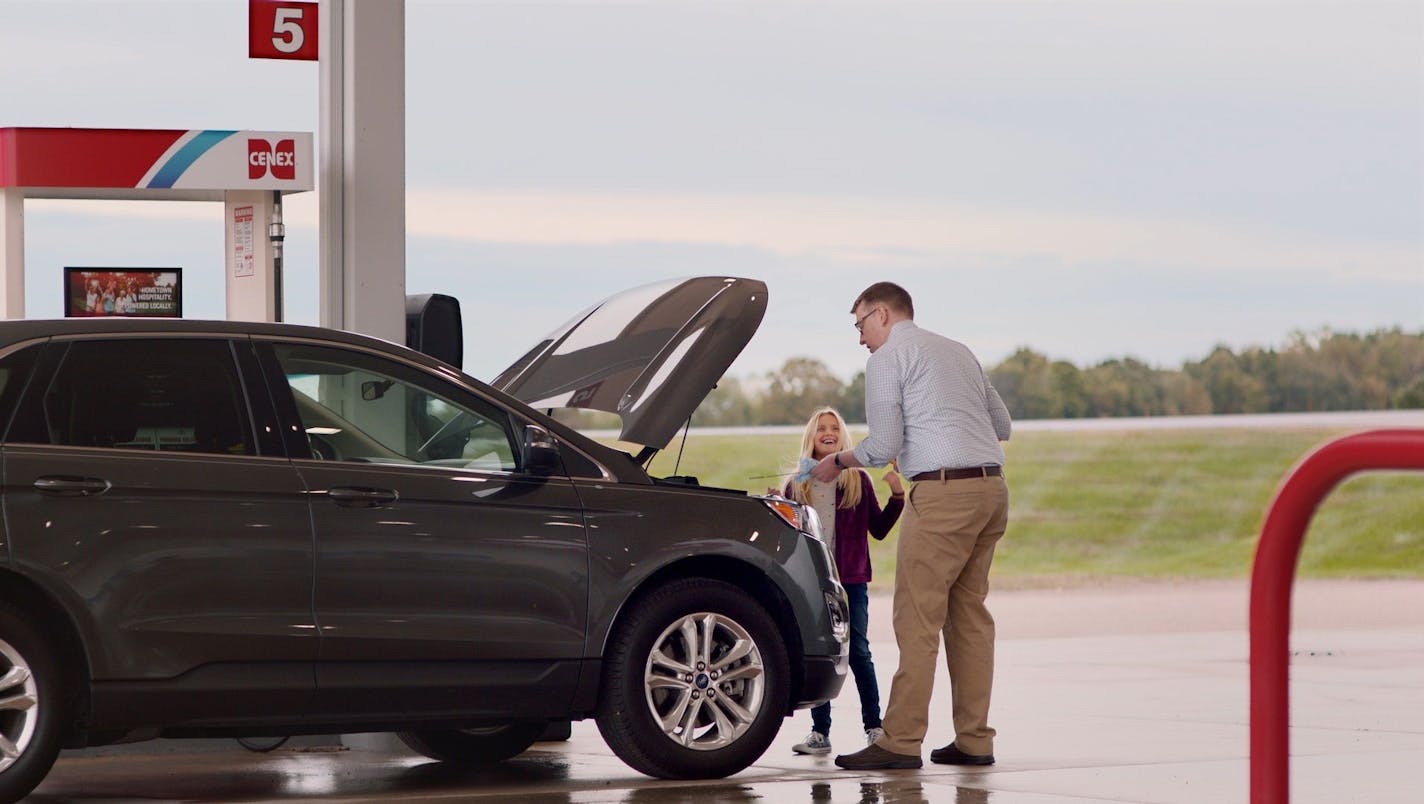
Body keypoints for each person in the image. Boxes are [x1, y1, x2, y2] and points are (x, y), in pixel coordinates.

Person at [810, 281, 1012, 771]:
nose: (860, 338)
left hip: (942, 496)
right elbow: (1002, 426)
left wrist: (836, 460)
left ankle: (899, 741)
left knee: (917, 619)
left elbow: (880, 446)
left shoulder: (886, 360)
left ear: (880, 314)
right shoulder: (958, 351)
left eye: (859, 325)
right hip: (991, 491)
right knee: (969, 618)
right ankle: (974, 739)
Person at [779, 406, 904, 757]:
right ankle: (820, 732)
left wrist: (897, 497)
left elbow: (878, 531)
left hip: (851, 581)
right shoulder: (798, 484)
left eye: (834, 427)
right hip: (815, 583)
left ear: (842, 436)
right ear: (812, 438)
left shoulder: (856, 480)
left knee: (859, 652)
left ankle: (874, 727)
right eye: (821, 428)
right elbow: (790, 539)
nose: (828, 432)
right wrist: (779, 503)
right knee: (819, 651)